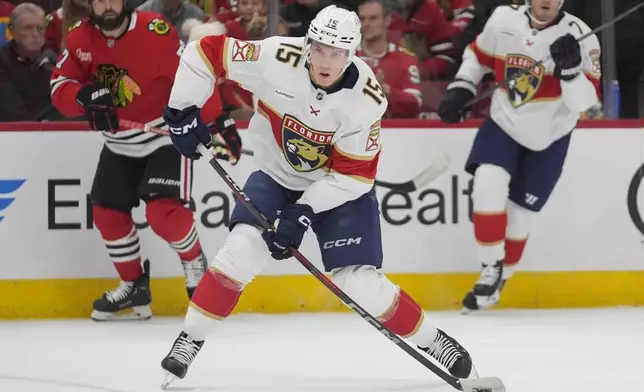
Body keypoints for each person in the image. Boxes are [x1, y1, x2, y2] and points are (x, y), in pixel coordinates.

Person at [158, 4, 476, 386]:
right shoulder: (275, 56)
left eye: (339, 52)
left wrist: (305, 210)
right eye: (321, 49)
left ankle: (434, 342)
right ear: (308, 44)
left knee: (359, 282)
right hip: (276, 175)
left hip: (338, 190)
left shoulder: (367, 100)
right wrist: (180, 111)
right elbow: (204, 52)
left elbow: (354, 177)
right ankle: (189, 339)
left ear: (353, 53)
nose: (327, 61)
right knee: (240, 251)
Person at [50, 0, 242, 321]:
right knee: (107, 215)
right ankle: (133, 285)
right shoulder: (79, 38)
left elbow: (192, 74)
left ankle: (195, 263)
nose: (107, 6)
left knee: (162, 212)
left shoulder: (157, 30)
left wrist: (216, 120)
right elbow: (60, 86)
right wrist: (82, 95)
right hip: (118, 143)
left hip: (162, 135)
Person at [437, 0, 601, 313]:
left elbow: (585, 101)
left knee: (519, 218)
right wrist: (462, 87)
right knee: (487, 183)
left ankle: (498, 282)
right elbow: (478, 56)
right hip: (505, 122)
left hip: (551, 135)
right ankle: (489, 267)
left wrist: (569, 73)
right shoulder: (502, 19)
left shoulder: (581, 35)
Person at [356, 0, 422, 118]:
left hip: (394, 132)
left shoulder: (406, 59)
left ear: (387, 21)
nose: (366, 23)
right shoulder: (346, 57)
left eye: (373, 18)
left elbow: (415, 104)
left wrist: (387, 91)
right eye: (362, 19)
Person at [0, 3, 59, 122]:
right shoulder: (2, 60)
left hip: (54, 130)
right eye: (28, 28)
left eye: (40, 28)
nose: (35, 34)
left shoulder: (53, 60)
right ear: (12, 31)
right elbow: (11, 111)